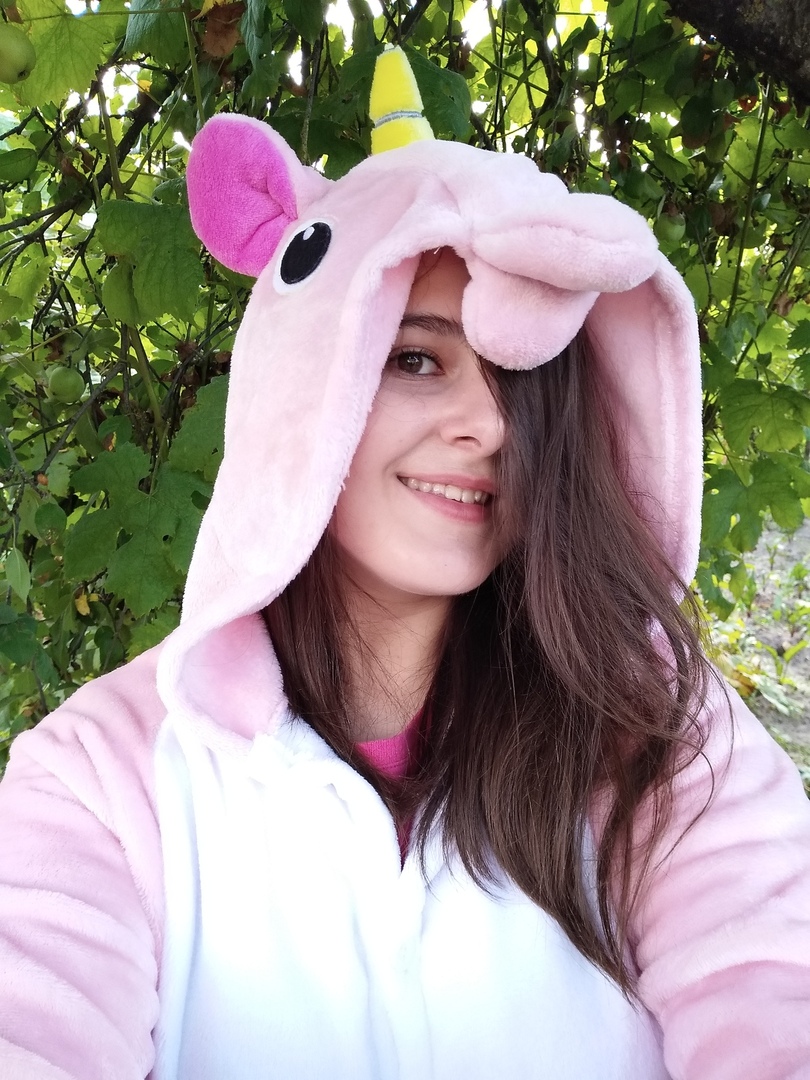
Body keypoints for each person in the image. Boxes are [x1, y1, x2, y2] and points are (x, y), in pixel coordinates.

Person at [1, 45, 809, 1080]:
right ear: (305, 382)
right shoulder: (101, 782)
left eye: (520, 383)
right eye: (416, 359)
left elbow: (773, 989)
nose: (490, 427)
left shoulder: (665, 739)